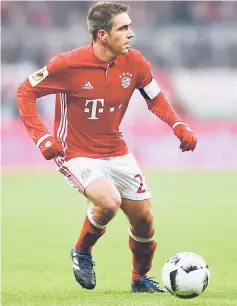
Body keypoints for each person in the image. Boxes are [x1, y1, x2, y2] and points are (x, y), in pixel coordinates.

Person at [17, 1, 197, 293]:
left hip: (116, 150)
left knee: (144, 222)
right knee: (109, 202)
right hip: (75, 152)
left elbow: (155, 98)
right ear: (102, 35)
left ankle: (140, 280)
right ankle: (82, 251)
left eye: (130, 26)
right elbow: (25, 90)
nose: (131, 33)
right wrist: (42, 137)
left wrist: (178, 124)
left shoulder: (135, 62)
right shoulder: (67, 64)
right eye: (124, 28)